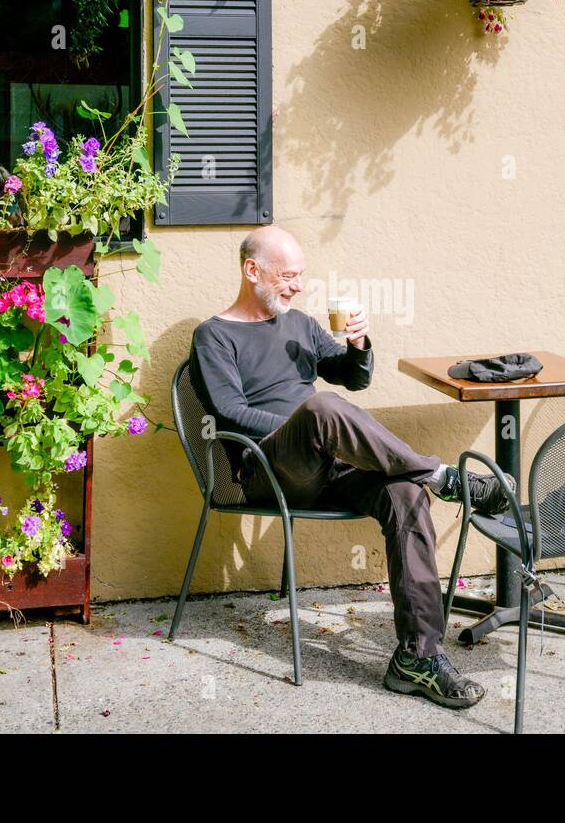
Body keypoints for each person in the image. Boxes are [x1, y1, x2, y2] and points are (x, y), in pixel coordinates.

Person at [188, 226, 514, 709]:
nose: (298, 286)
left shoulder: (298, 324)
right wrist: (305, 427)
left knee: (404, 495)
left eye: (300, 275)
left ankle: (417, 657)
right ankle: (441, 475)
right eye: (288, 275)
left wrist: (359, 344)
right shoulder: (214, 335)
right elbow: (229, 412)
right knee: (322, 409)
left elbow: (352, 379)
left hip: (329, 466)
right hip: (271, 474)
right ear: (252, 270)